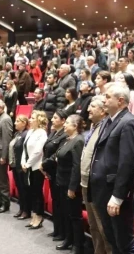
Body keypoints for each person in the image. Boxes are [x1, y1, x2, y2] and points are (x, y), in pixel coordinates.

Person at [89, 83, 134, 254]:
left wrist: (118, 196)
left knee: (125, 242)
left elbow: (127, 164)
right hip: (102, 191)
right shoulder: (108, 120)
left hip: (115, 194)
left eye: (107, 97)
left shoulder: (129, 123)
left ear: (120, 101)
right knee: (112, 239)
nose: (104, 100)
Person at [81, 97, 112, 254]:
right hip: (86, 183)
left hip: (98, 185)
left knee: (103, 228)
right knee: (94, 228)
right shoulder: (94, 127)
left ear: (103, 110)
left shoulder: (107, 128)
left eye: (92, 106)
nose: (88, 109)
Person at [55, 114, 85, 253]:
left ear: (75, 126)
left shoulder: (78, 141)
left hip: (70, 185)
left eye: (67, 123)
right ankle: (69, 239)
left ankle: (77, 245)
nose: (64, 125)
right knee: (66, 213)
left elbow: (76, 166)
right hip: (61, 181)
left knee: (74, 215)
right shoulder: (68, 139)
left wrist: (72, 187)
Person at [41, 110, 68, 241]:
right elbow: (46, 149)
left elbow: (57, 154)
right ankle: (57, 229)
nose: (52, 120)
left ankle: (63, 232)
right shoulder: (53, 132)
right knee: (56, 202)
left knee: (61, 204)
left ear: (63, 121)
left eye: (56, 118)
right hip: (51, 171)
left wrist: (44, 164)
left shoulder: (64, 135)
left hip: (58, 172)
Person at [21, 110, 48, 229]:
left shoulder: (42, 133)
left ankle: (39, 216)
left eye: (33, 118)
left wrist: (27, 163)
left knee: (37, 192)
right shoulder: (30, 131)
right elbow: (24, 148)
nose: (30, 120)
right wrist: (23, 162)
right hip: (28, 165)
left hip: (36, 166)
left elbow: (38, 151)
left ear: (39, 120)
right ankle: (34, 215)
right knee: (31, 191)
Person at [9, 115, 30, 219]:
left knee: (24, 189)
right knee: (20, 188)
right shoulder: (17, 134)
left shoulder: (26, 134)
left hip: (22, 166)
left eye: (18, 121)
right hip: (15, 165)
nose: (15, 123)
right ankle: (21, 208)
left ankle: (26, 210)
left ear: (24, 123)